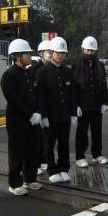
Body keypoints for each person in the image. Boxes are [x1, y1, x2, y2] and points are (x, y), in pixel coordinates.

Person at [0, 39, 43, 195]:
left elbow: (37, 94)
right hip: (17, 121)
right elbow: (13, 99)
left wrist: (38, 112)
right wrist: (29, 114)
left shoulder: (29, 73)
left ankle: (30, 179)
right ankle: (14, 183)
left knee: (32, 151)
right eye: (27, 53)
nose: (30, 56)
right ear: (18, 56)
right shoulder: (9, 75)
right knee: (17, 153)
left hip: (33, 121)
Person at [37, 36, 78, 183]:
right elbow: (40, 95)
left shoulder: (67, 72)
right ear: (51, 52)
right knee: (49, 144)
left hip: (64, 115)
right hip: (50, 116)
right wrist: (43, 115)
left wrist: (73, 112)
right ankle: (52, 169)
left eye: (63, 53)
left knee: (64, 143)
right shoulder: (43, 72)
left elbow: (73, 93)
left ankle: (63, 168)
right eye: (57, 52)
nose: (60, 55)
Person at [72, 36, 108, 168]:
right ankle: (80, 156)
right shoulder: (76, 65)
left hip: (97, 104)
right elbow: (74, 87)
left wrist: (105, 102)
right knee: (82, 132)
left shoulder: (99, 65)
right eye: (87, 50)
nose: (89, 53)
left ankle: (97, 154)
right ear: (82, 49)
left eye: (92, 51)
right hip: (83, 105)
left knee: (97, 131)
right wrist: (75, 105)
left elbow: (104, 85)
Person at [34, 39, 52, 176]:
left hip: (51, 110)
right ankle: (37, 162)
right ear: (41, 53)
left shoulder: (54, 68)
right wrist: (39, 112)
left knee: (49, 138)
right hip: (39, 110)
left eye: (52, 51)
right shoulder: (35, 70)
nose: (50, 54)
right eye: (48, 51)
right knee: (38, 138)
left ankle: (46, 160)